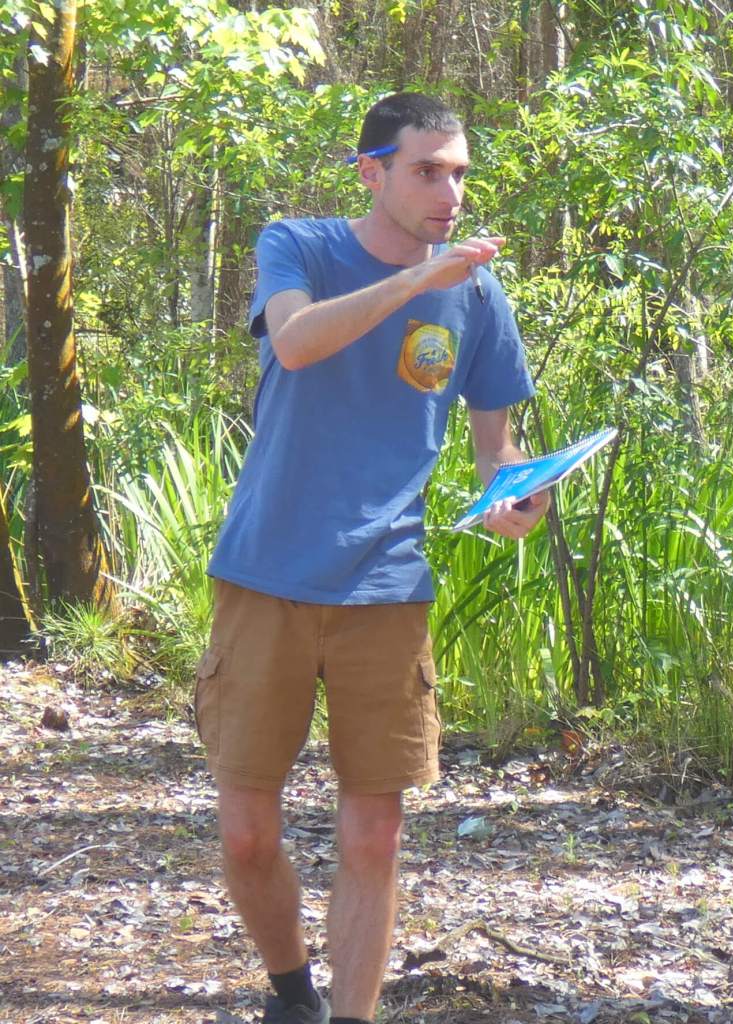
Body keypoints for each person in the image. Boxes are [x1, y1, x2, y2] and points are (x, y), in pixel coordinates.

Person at [193, 92, 549, 1024]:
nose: (450, 193)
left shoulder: (478, 294)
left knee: (376, 835)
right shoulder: (299, 247)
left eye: (459, 174)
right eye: (428, 171)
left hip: (388, 583)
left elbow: (494, 448)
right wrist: (415, 283)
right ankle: (292, 994)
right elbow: (297, 342)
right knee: (247, 833)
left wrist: (518, 496)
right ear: (372, 173)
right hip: (266, 573)